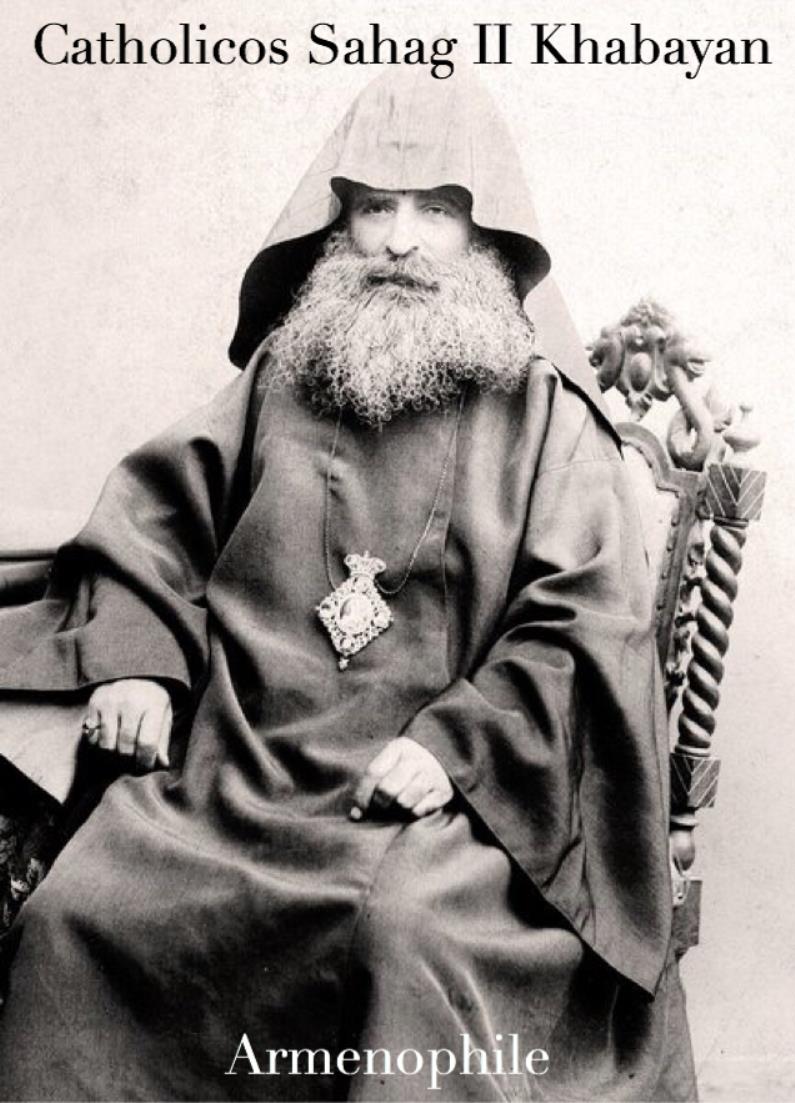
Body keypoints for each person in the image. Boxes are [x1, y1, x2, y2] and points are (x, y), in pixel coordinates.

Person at [0, 72, 696, 1101]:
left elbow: (585, 621)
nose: (400, 242)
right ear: (339, 224)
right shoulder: (283, 375)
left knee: (402, 929)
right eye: (375, 207)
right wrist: (136, 661)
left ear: (485, 233)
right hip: (242, 769)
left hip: (452, 805)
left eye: (436, 211)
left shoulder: (548, 417)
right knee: (76, 915)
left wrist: (453, 748)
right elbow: (155, 525)